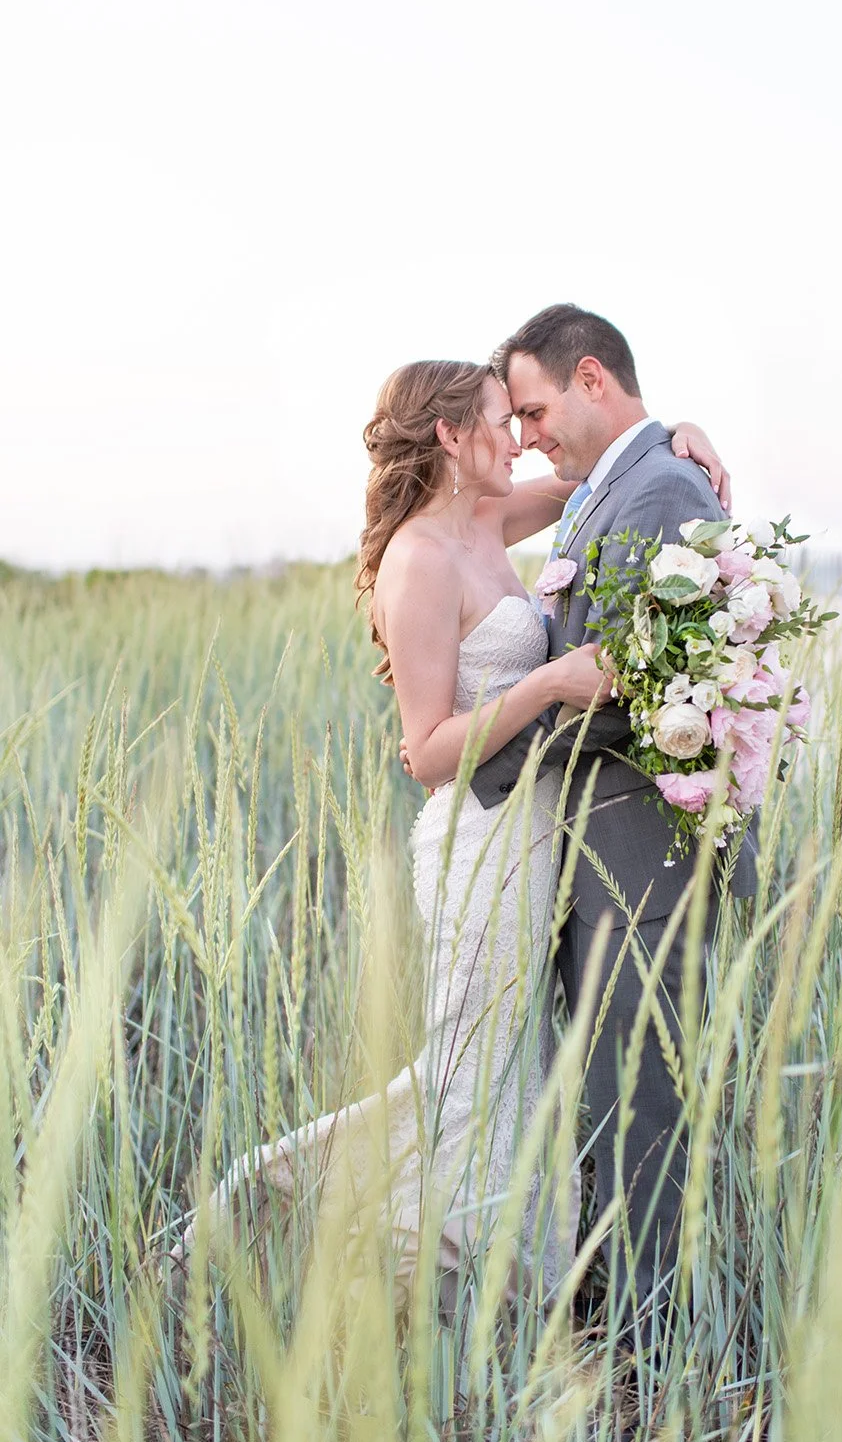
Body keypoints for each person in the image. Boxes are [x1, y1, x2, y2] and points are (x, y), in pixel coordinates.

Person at [183, 356, 727, 1311]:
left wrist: (684, 435)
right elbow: (428, 749)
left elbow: (600, 475)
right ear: (447, 435)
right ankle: (431, 1276)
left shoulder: (486, 521)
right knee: (469, 1072)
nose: (516, 438)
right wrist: (551, 684)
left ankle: (466, 1258)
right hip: (479, 841)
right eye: (495, 420)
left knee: (498, 1064)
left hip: (535, 838)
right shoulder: (420, 561)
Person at [469, 304, 757, 1347]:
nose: (529, 431)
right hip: (596, 846)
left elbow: (643, 691)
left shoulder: (662, 487)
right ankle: (612, 1291)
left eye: (536, 408)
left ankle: (645, 1329)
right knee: (606, 1077)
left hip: (643, 850)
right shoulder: (612, 488)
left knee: (639, 1089)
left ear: (592, 377)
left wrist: (481, 760)